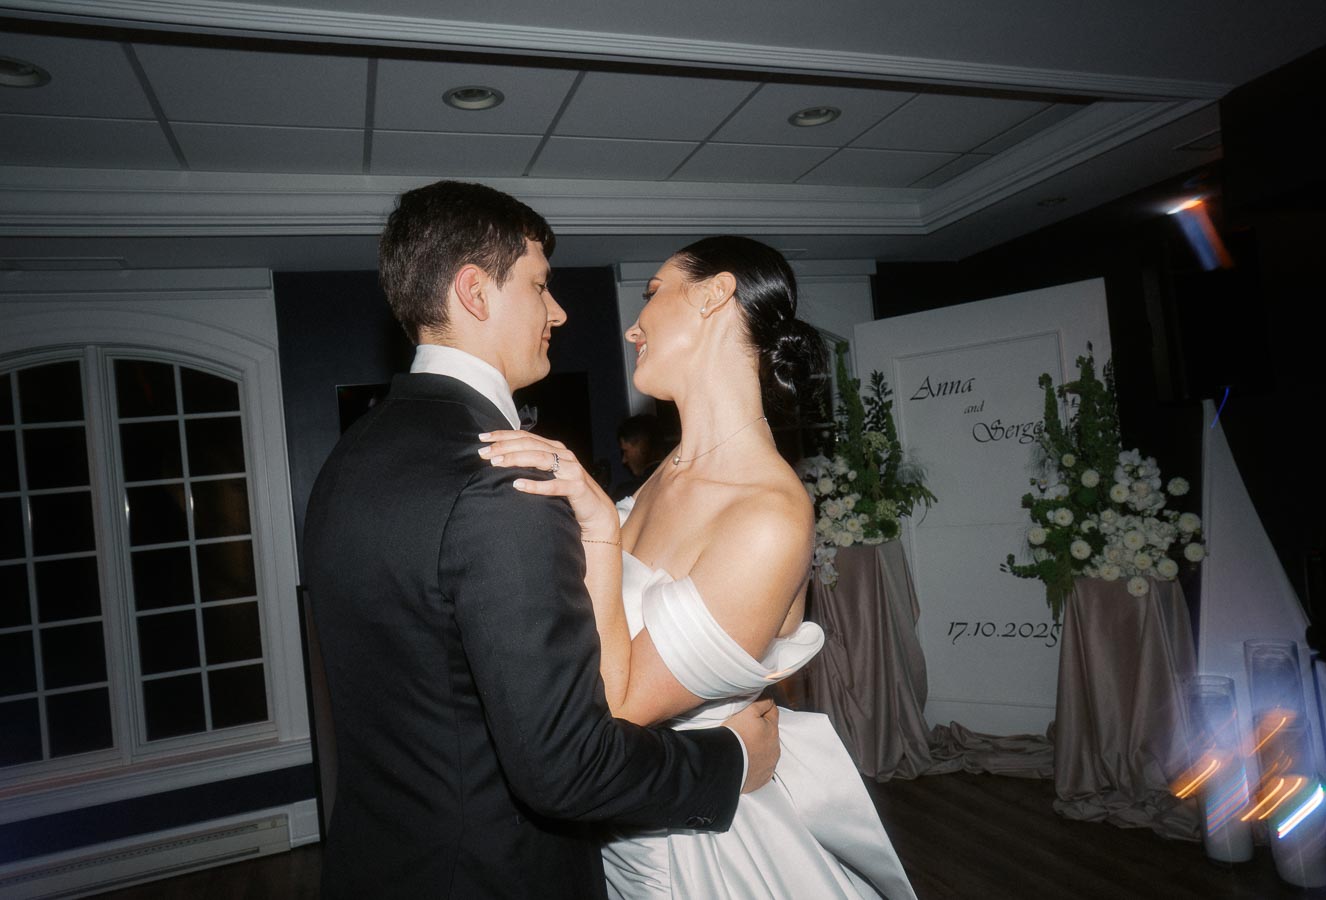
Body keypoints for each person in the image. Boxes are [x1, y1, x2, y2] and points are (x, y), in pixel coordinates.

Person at [304, 184, 781, 899]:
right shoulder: (505, 485)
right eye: (539, 285)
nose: (558, 311)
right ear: (474, 292)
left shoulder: (351, 457)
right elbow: (565, 768)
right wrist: (730, 760)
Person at [483, 235, 917, 898]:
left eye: (653, 293)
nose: (633, 324)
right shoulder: (661, 479)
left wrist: (600, 530)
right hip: (622, 821)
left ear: (715, 293)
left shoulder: (768, 514)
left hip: (697, 850)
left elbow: (621, 707)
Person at [610, 413, 664, 500]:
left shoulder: (628, 493)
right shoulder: (683, 481)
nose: (624, 460)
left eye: (625, 451)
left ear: (643, 446)